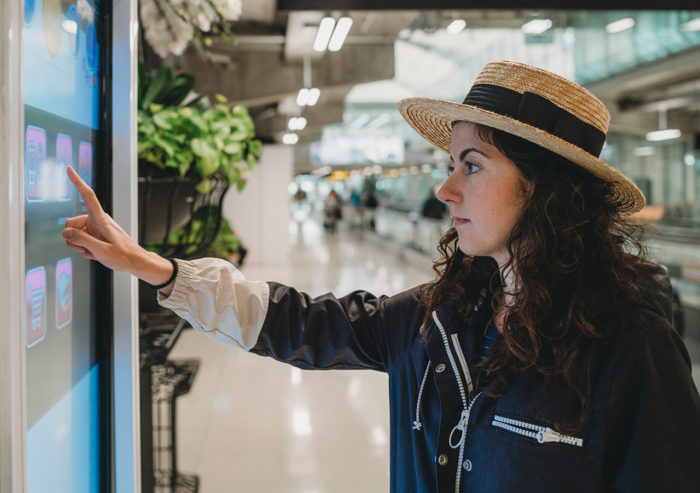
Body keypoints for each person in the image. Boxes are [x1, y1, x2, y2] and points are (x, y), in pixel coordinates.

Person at [62, 61, 700, 493]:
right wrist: (155, 268)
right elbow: (306, 323)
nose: (445, 189)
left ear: (546, 188)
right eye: (450, 163)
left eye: (472, 166)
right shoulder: (446, 315)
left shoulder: (628, 344)